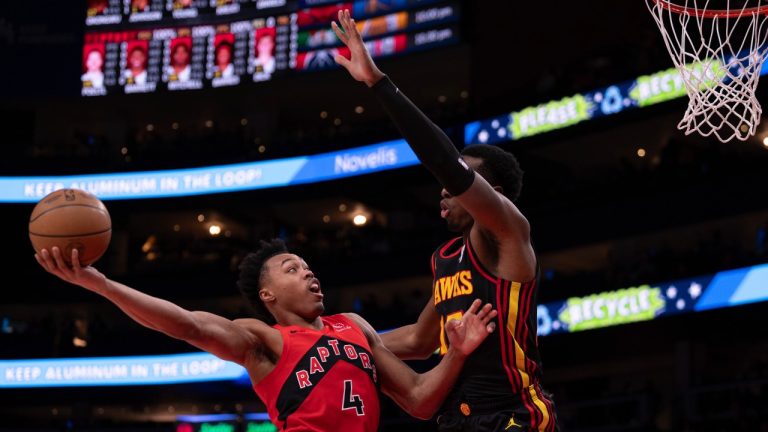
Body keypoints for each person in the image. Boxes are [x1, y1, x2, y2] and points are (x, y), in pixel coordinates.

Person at [333, 9, 559, 432]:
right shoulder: (446, 257)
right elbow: (420, 342)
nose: (442, 190)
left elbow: (446, 164)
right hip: (457, 418)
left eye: (457, 183)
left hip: (514, 416)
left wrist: (379, 83)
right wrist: (344, 338)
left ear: (489, 195)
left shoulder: (505, 232)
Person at [35, 239, 497, 431]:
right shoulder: (265, 339)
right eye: (291, 269)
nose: (308, 273)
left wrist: (454, 351)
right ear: (268, 295)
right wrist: (101, 284)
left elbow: (419, 394)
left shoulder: (354, 327)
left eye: (308, 267)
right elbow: (185, 323)